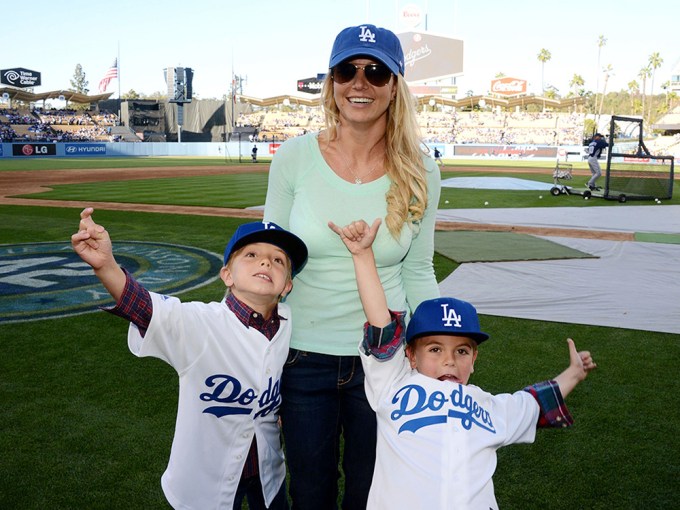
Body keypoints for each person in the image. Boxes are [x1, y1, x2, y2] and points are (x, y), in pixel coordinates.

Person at [263, 23, 441, 509]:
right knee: (311, 495)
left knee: (375, 495)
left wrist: (436, 349)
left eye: (376, 71)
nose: (359, 83)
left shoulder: (422, 171)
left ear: (394, 86)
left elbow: (418, 270)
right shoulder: (294, 157)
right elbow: (268, 263)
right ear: (332, 82)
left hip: (386, 360)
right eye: (347, 70)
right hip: (303, 358)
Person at [330, 217, 598, 510]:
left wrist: (573, 373)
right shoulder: (393, 384)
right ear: (410, 356)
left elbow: (533, 404)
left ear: (474, 360)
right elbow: (380, 322)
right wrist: (362, 255)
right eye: (435, 349)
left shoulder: (486, 405)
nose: (449, 360)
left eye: (462, 351)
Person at [71, 208, 308, 510]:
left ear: (287, 285)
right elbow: (144, 307)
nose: (265, 261)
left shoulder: (287, 323)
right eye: (251, 255)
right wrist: (106, 266)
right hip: (204, 480)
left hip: (267, 470)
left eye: (278, 260)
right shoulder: (199, 322)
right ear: (227, 275)